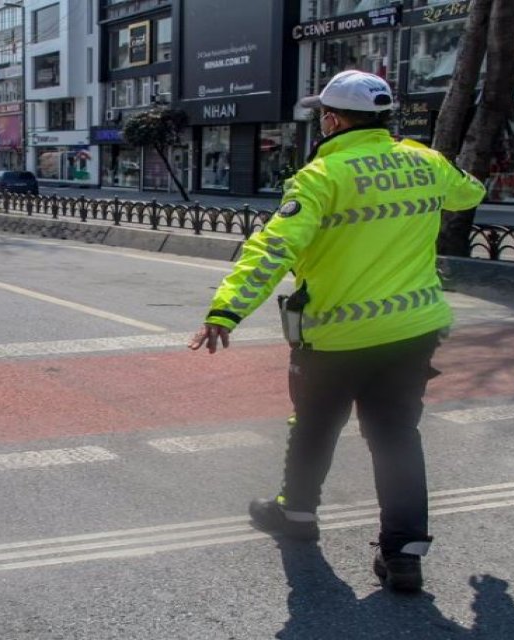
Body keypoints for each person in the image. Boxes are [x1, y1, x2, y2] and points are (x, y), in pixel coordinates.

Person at [188, 70, 486, 592]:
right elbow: (468, 193)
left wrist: (225, 312)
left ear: (330, 118)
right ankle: (405, 553)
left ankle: (298, 516)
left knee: (313, 427)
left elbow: (271, 249)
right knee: (396, 437)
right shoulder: (425, 160)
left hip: (334, 338)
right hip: (413, 330)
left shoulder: (321, 175)